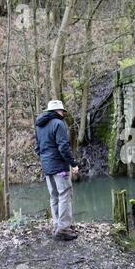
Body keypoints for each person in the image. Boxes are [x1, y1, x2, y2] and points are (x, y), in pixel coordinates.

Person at [34, 100, 79, 241]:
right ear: (58, 111)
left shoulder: (40, 125)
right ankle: (63, 229)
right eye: (62, 111)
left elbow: (37, 148)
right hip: (60, 167)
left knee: (54, 196)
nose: (63, 113)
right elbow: (63, 147)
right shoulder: (58, 124)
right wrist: (73, 164)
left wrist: (46, 160)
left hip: (47, 167)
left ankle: (57, 225)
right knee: (64, 194)